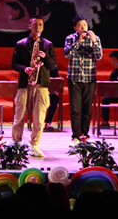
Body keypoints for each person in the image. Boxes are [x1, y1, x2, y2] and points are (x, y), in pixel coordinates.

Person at [11, 16, 57, 157]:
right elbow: (14, 64)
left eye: (40, 25)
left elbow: (52, 65)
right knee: (19, 115)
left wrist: (45, 57)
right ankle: (16, 143)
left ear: (43, 27)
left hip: (41, 84)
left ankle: (35, 145)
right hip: (25, 84)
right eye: (35, 24)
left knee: (39, 117)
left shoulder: (48, 44)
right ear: (29, 26)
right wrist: (24, 69)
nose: (38, 27)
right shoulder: (21, 44)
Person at [64, 15, 103, 146]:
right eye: (80, 26)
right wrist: (78, 42)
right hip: (74, 78)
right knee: (76, 109)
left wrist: (94, 42)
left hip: (89, 78)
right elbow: (67, 54)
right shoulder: (70, 38)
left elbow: (99, 56)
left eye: (85, 25)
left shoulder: (95, 38)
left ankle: (84, 136)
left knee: (87, 109)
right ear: (75, 28)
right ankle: (76, 136)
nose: (83, 28)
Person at [43, 65, 60, 132]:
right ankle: (38, 122)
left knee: (55, 99)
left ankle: (48, 122)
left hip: (49, 92)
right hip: (38, 92)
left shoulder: (53, 67)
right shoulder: (37, 66)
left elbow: (57, 81)